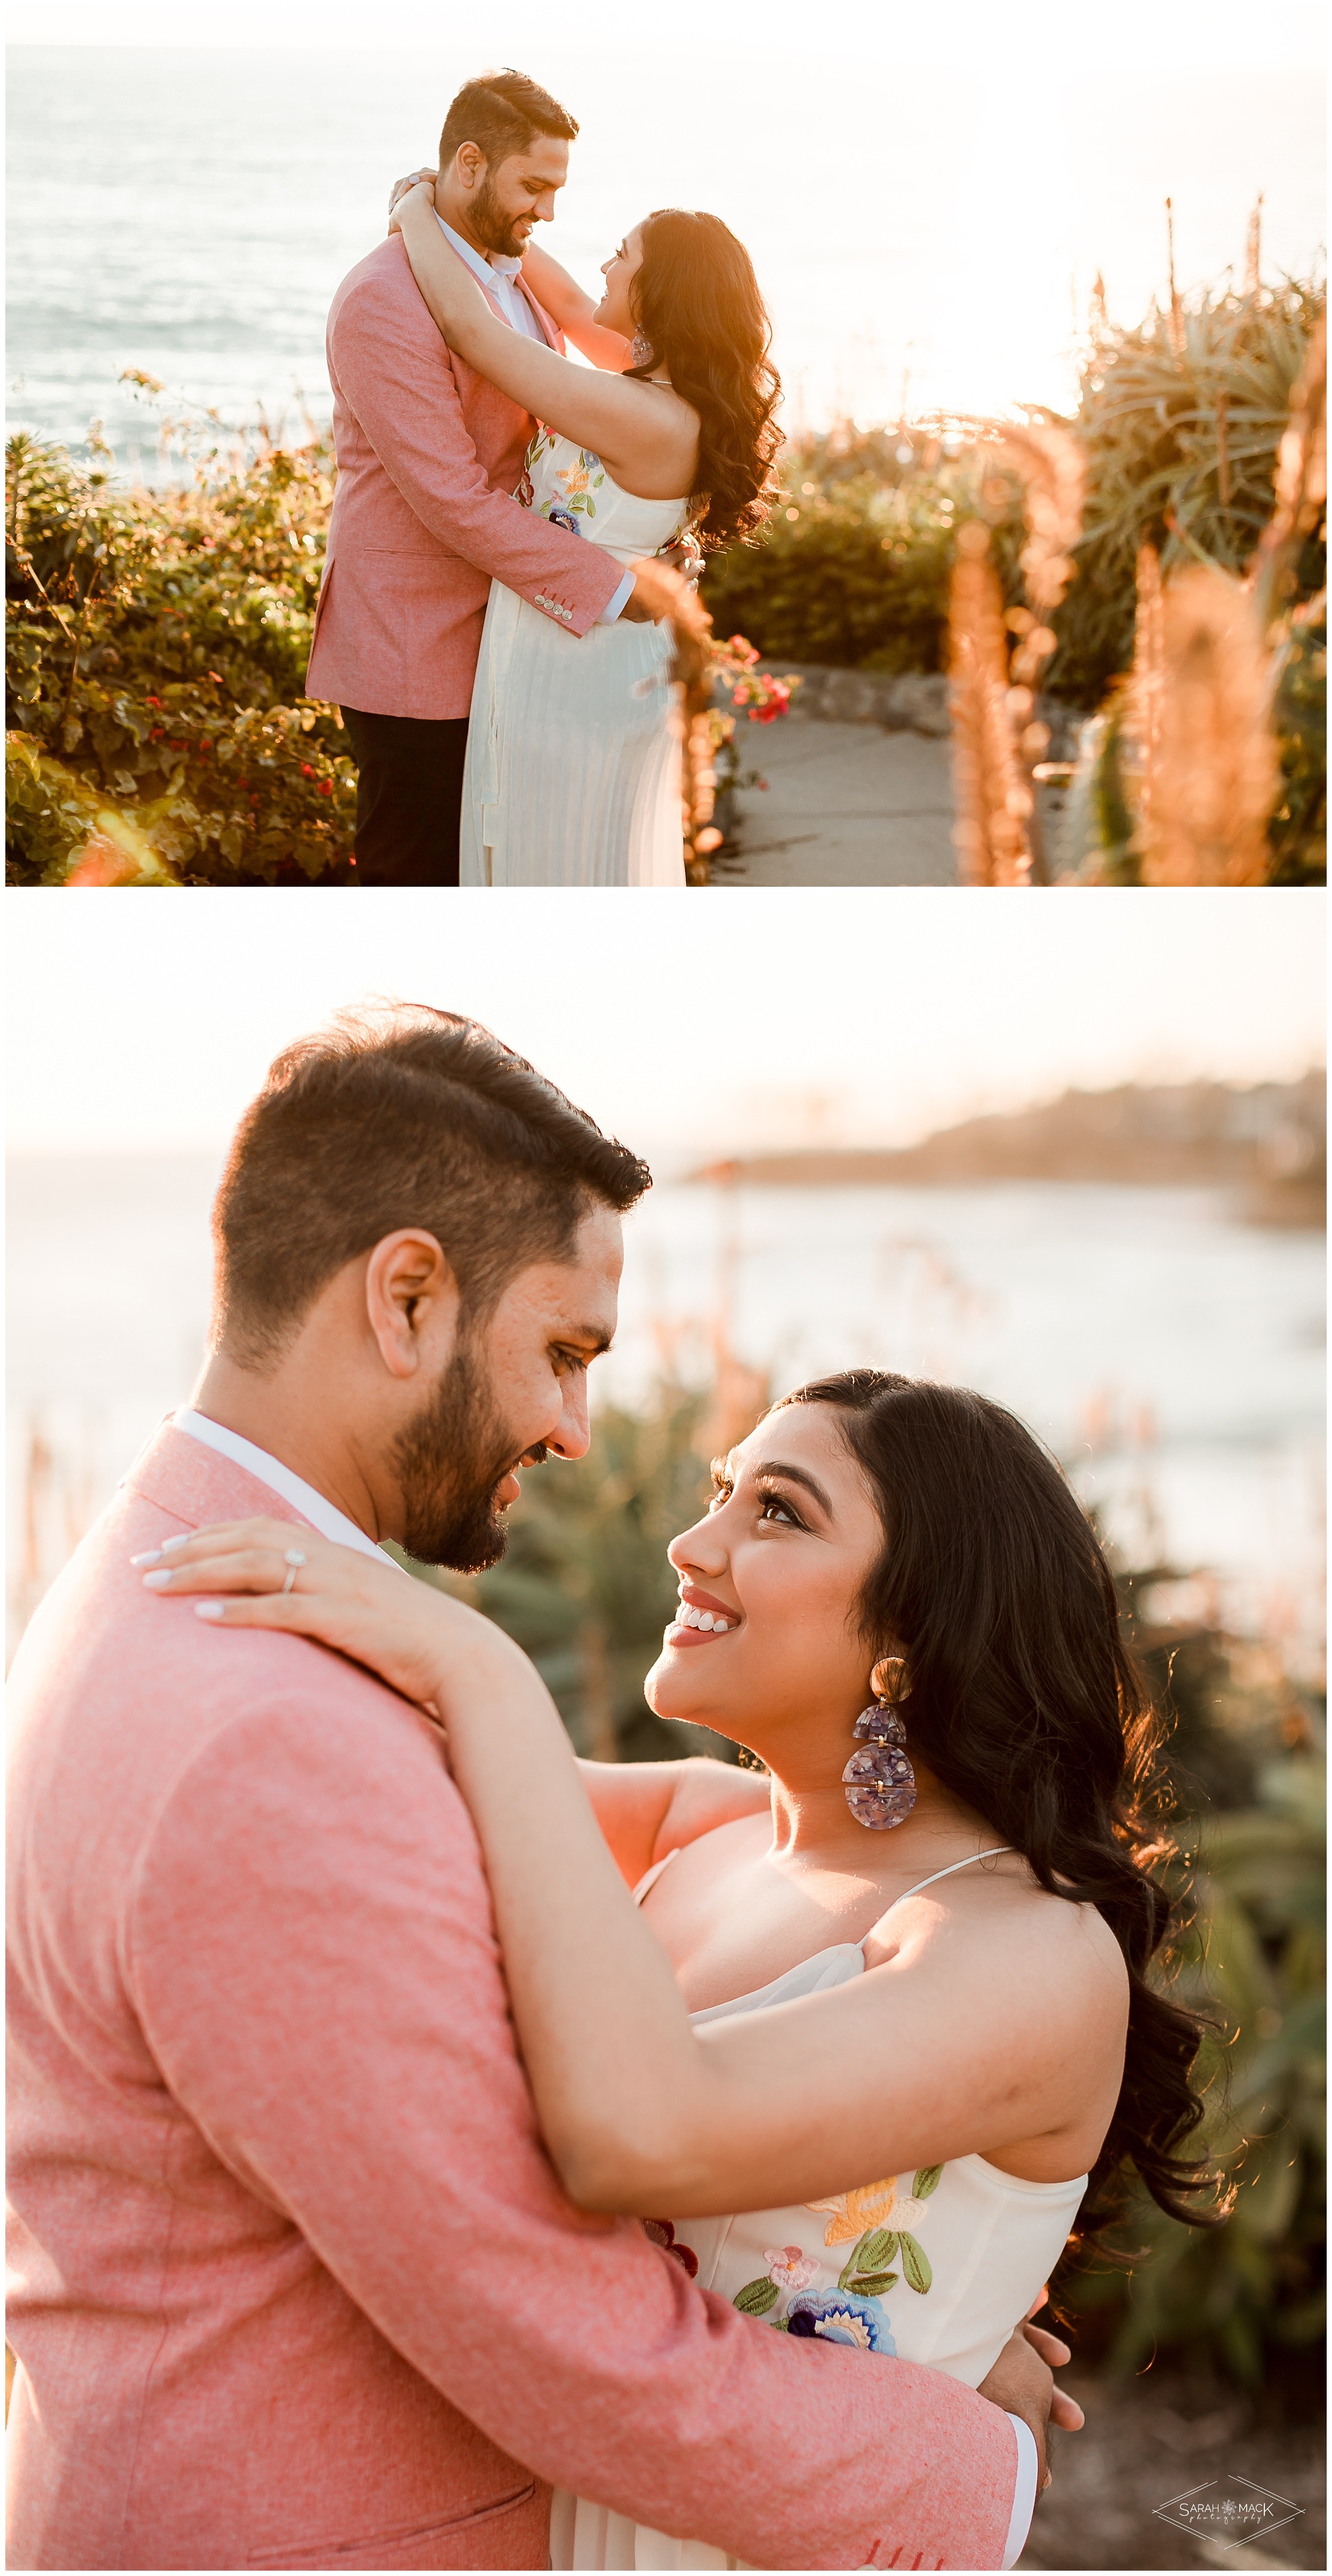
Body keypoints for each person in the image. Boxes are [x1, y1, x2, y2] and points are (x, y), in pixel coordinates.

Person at [6, 1007, 1067, 2574]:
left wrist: (911, 2308)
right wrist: (962, 2461)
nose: (576, 1427)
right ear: (409, 1295)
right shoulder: (276, 1729)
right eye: (563, 1349)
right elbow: (547, 2326)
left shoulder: (167, 1579)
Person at [141, 1375, 1222, 2572]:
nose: (689, 1543)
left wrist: (483, 1667)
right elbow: (359, 1768)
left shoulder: (1022, 1952)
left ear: (911, 1642)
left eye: (776, 1512)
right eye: (720, 1491)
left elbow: (636, 2134)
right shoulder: (700, 1827)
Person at [306, 70, 689, 887]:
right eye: (536, 187)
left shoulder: (508, 271)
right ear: (472, 164)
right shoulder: (382, 301)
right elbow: (452, 499)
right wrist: (621, 588)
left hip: (512, 646)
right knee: (417, 880)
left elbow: (612, 380)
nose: (548, 211)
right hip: (416, 650)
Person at [380, 175, 777, 884]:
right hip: (576, 656)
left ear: (660, 292)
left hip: (575, 678)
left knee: (555, 875)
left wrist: (414, 211)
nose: (605, 265)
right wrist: (501, 224)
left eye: (622, 255)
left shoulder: (641, 414)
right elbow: (564, 301)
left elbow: (471, 332)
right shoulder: (658, 390)